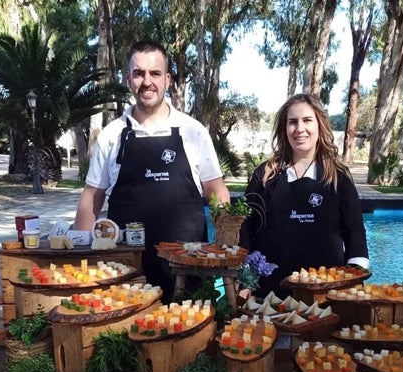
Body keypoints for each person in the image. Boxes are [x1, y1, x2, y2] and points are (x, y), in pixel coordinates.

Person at [74, 40, 230, 302]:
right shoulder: (112, 135)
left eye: (155, 73)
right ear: (128, 79)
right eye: (139, 73)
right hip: (125, 273)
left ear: (167, 80)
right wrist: (79, 254)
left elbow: (216, 190)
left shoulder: (193, 131)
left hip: (187, 270)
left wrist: (226, 244)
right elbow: (92, 196)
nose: (147, 81)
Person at [240, 93, 369, 298]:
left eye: (307, 120)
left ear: (319, 125)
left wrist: (355, 277)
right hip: (270, 292)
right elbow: (245, 230)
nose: (299, 129)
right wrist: (245, 282)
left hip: (327, 293)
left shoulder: (338, 177)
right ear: (284, 128)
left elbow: (355, 234)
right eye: (293, 122)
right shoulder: (264, 175)